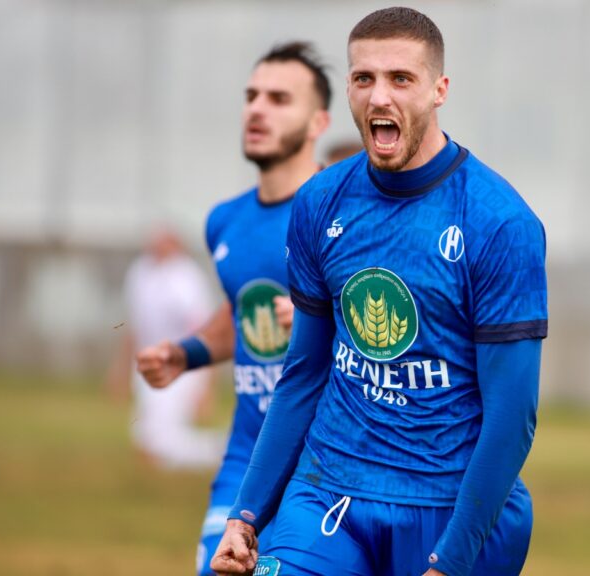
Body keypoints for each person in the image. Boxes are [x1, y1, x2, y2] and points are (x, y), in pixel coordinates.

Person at [211, 7, 547, 576]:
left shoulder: (500, 224)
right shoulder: (320, 202)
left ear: (439, 90)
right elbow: (304, 373)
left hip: (448, 507)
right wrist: (245, 515)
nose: (379, 96)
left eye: (401, 78)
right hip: (327, 489)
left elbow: (512, 418)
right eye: (364, 78)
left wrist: (453, 560)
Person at [134, 42, 331, 575]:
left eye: (278, 99)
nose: (257, 109)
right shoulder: (226, 221)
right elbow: (242, 312)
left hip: (325, 464)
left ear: (319, 122)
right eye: (251, 96)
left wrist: (323, 317)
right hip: (247, 455)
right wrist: (187, 353)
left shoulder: (343, 215)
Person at [109, 225, 221, 469]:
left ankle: (222, 452)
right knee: (145, 439)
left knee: (165, 440)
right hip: (147, 362)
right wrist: (121, 369)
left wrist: (205, 385)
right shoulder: (140, 272)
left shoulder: (188, 278)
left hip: (180, 364)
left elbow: (204, 331)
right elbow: (134, 325)